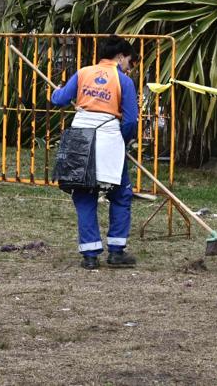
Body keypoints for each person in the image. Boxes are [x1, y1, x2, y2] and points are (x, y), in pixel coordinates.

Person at [50, 35, 139, 269]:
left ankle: (90, 255)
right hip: (109, 139)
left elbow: (58, 100)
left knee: (83, 194)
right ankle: (117, 252)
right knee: (120, 195)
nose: (129, 67)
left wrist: (57, 91)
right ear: (120, 57)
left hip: (80, 137)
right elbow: (130, 121)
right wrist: (124, 141)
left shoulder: (83, 73)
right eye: (129, 61)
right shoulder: (124, 81)